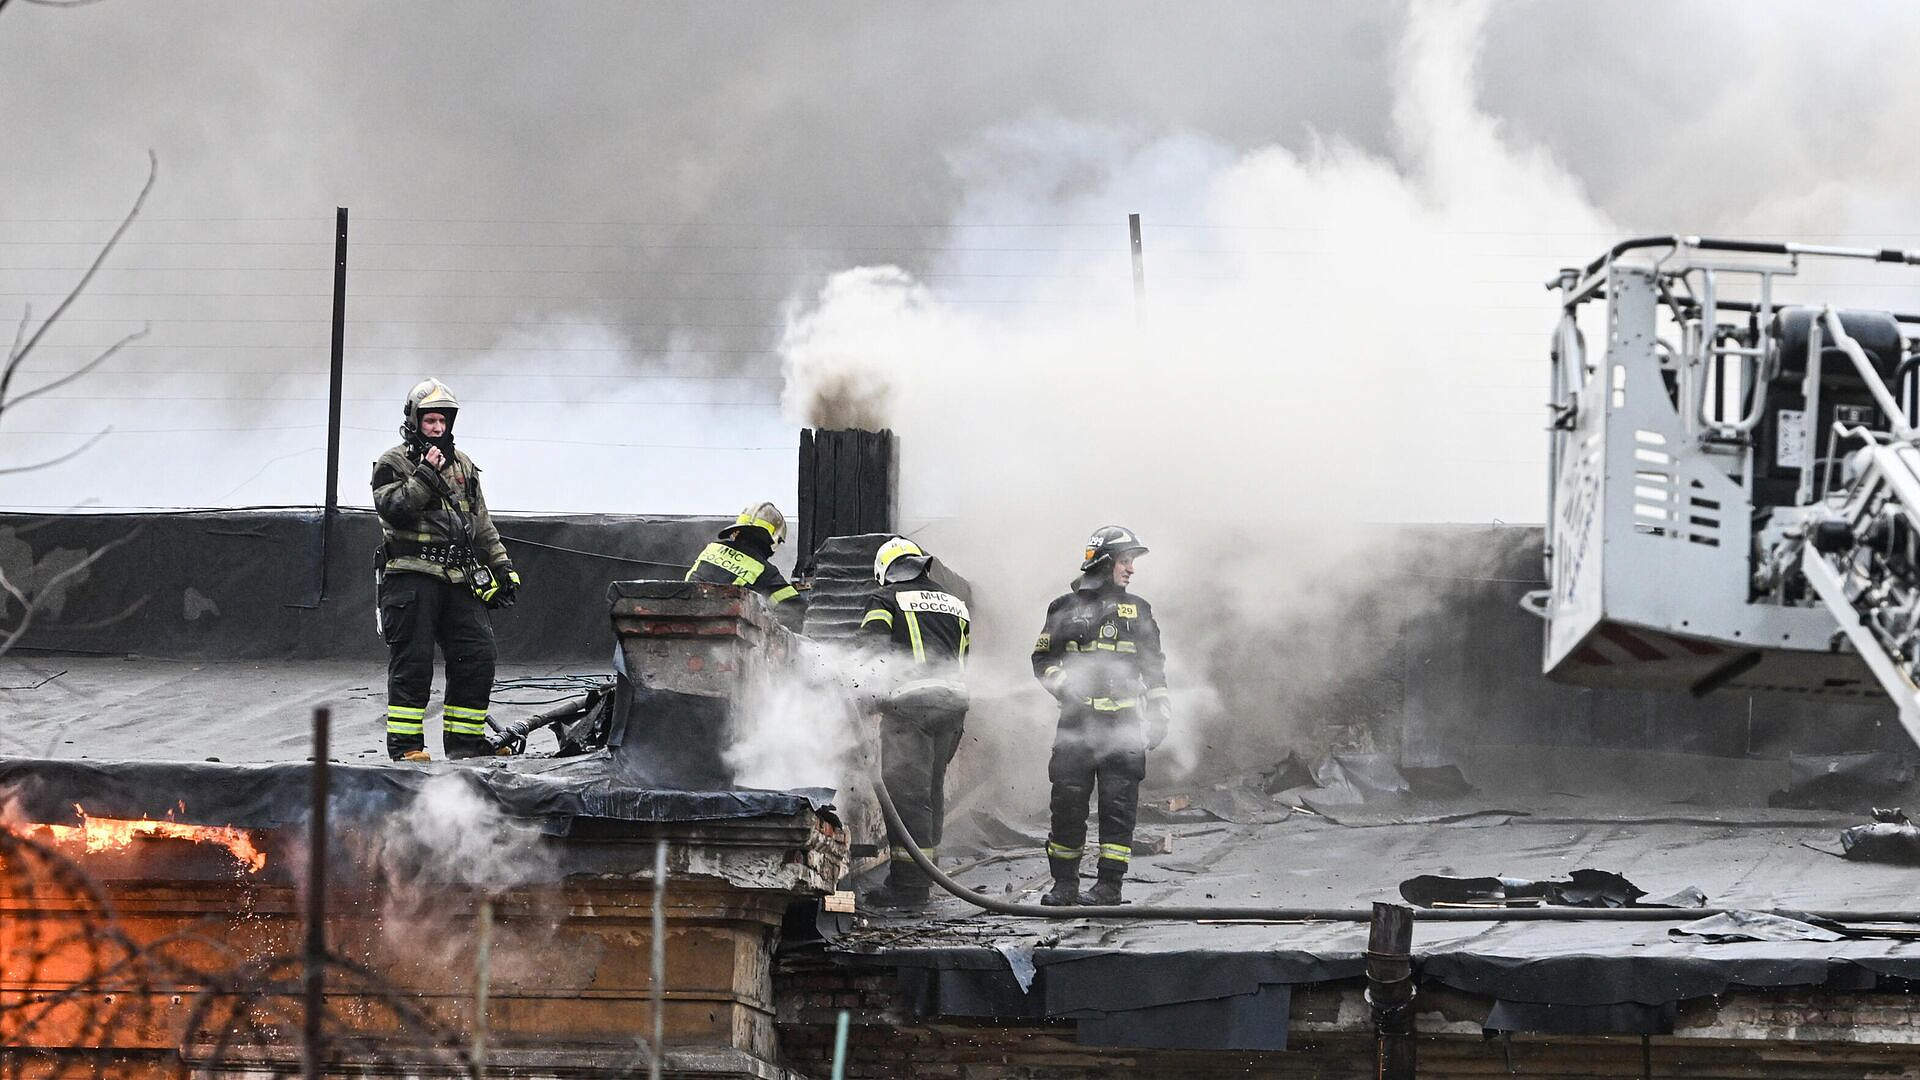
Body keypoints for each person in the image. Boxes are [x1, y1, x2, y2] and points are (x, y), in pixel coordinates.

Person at [371, 378, 520, 762]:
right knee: (413, 665)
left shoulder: (464, 465)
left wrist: (501, 566)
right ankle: (407, 750)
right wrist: (424, 474)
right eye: (430, 421)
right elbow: (395, 509)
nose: (437, 429)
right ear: (414, 421)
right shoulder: (393, 463)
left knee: (477, 656)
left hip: (459, 579)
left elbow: (481, 523)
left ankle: (465, 746)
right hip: (410, 577)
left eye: (442, 421)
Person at [1030, 525, 1171, 906]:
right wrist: (1063, 685)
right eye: (1125, 561)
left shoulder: (1138, 610)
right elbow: (1042, 658)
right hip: (1077, 726)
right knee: (1067, 805)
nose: (1131, 570)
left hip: (1123, 727)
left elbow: (1153, 668)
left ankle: (1109, 886)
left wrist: (1159, 712)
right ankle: (1065, 885)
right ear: (1105, 563)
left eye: (1131, 563)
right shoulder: (1063, 608)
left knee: (1118, 807)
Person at [859, 538, 971, 909]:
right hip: (953, 708)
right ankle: (926, 872)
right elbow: (963, 657)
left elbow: (874, 653)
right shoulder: (957, 604)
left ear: (886, 571)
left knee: (907, 796)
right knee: (931, 791)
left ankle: (909, 887)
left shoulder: (885, 599)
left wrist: (860, 693)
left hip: (911, 707)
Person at [685, 502, 807, 629]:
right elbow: (795, 611)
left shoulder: (712, 548)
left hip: (687, 616)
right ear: (774, 540)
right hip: (722, 630)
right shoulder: (764, 571)